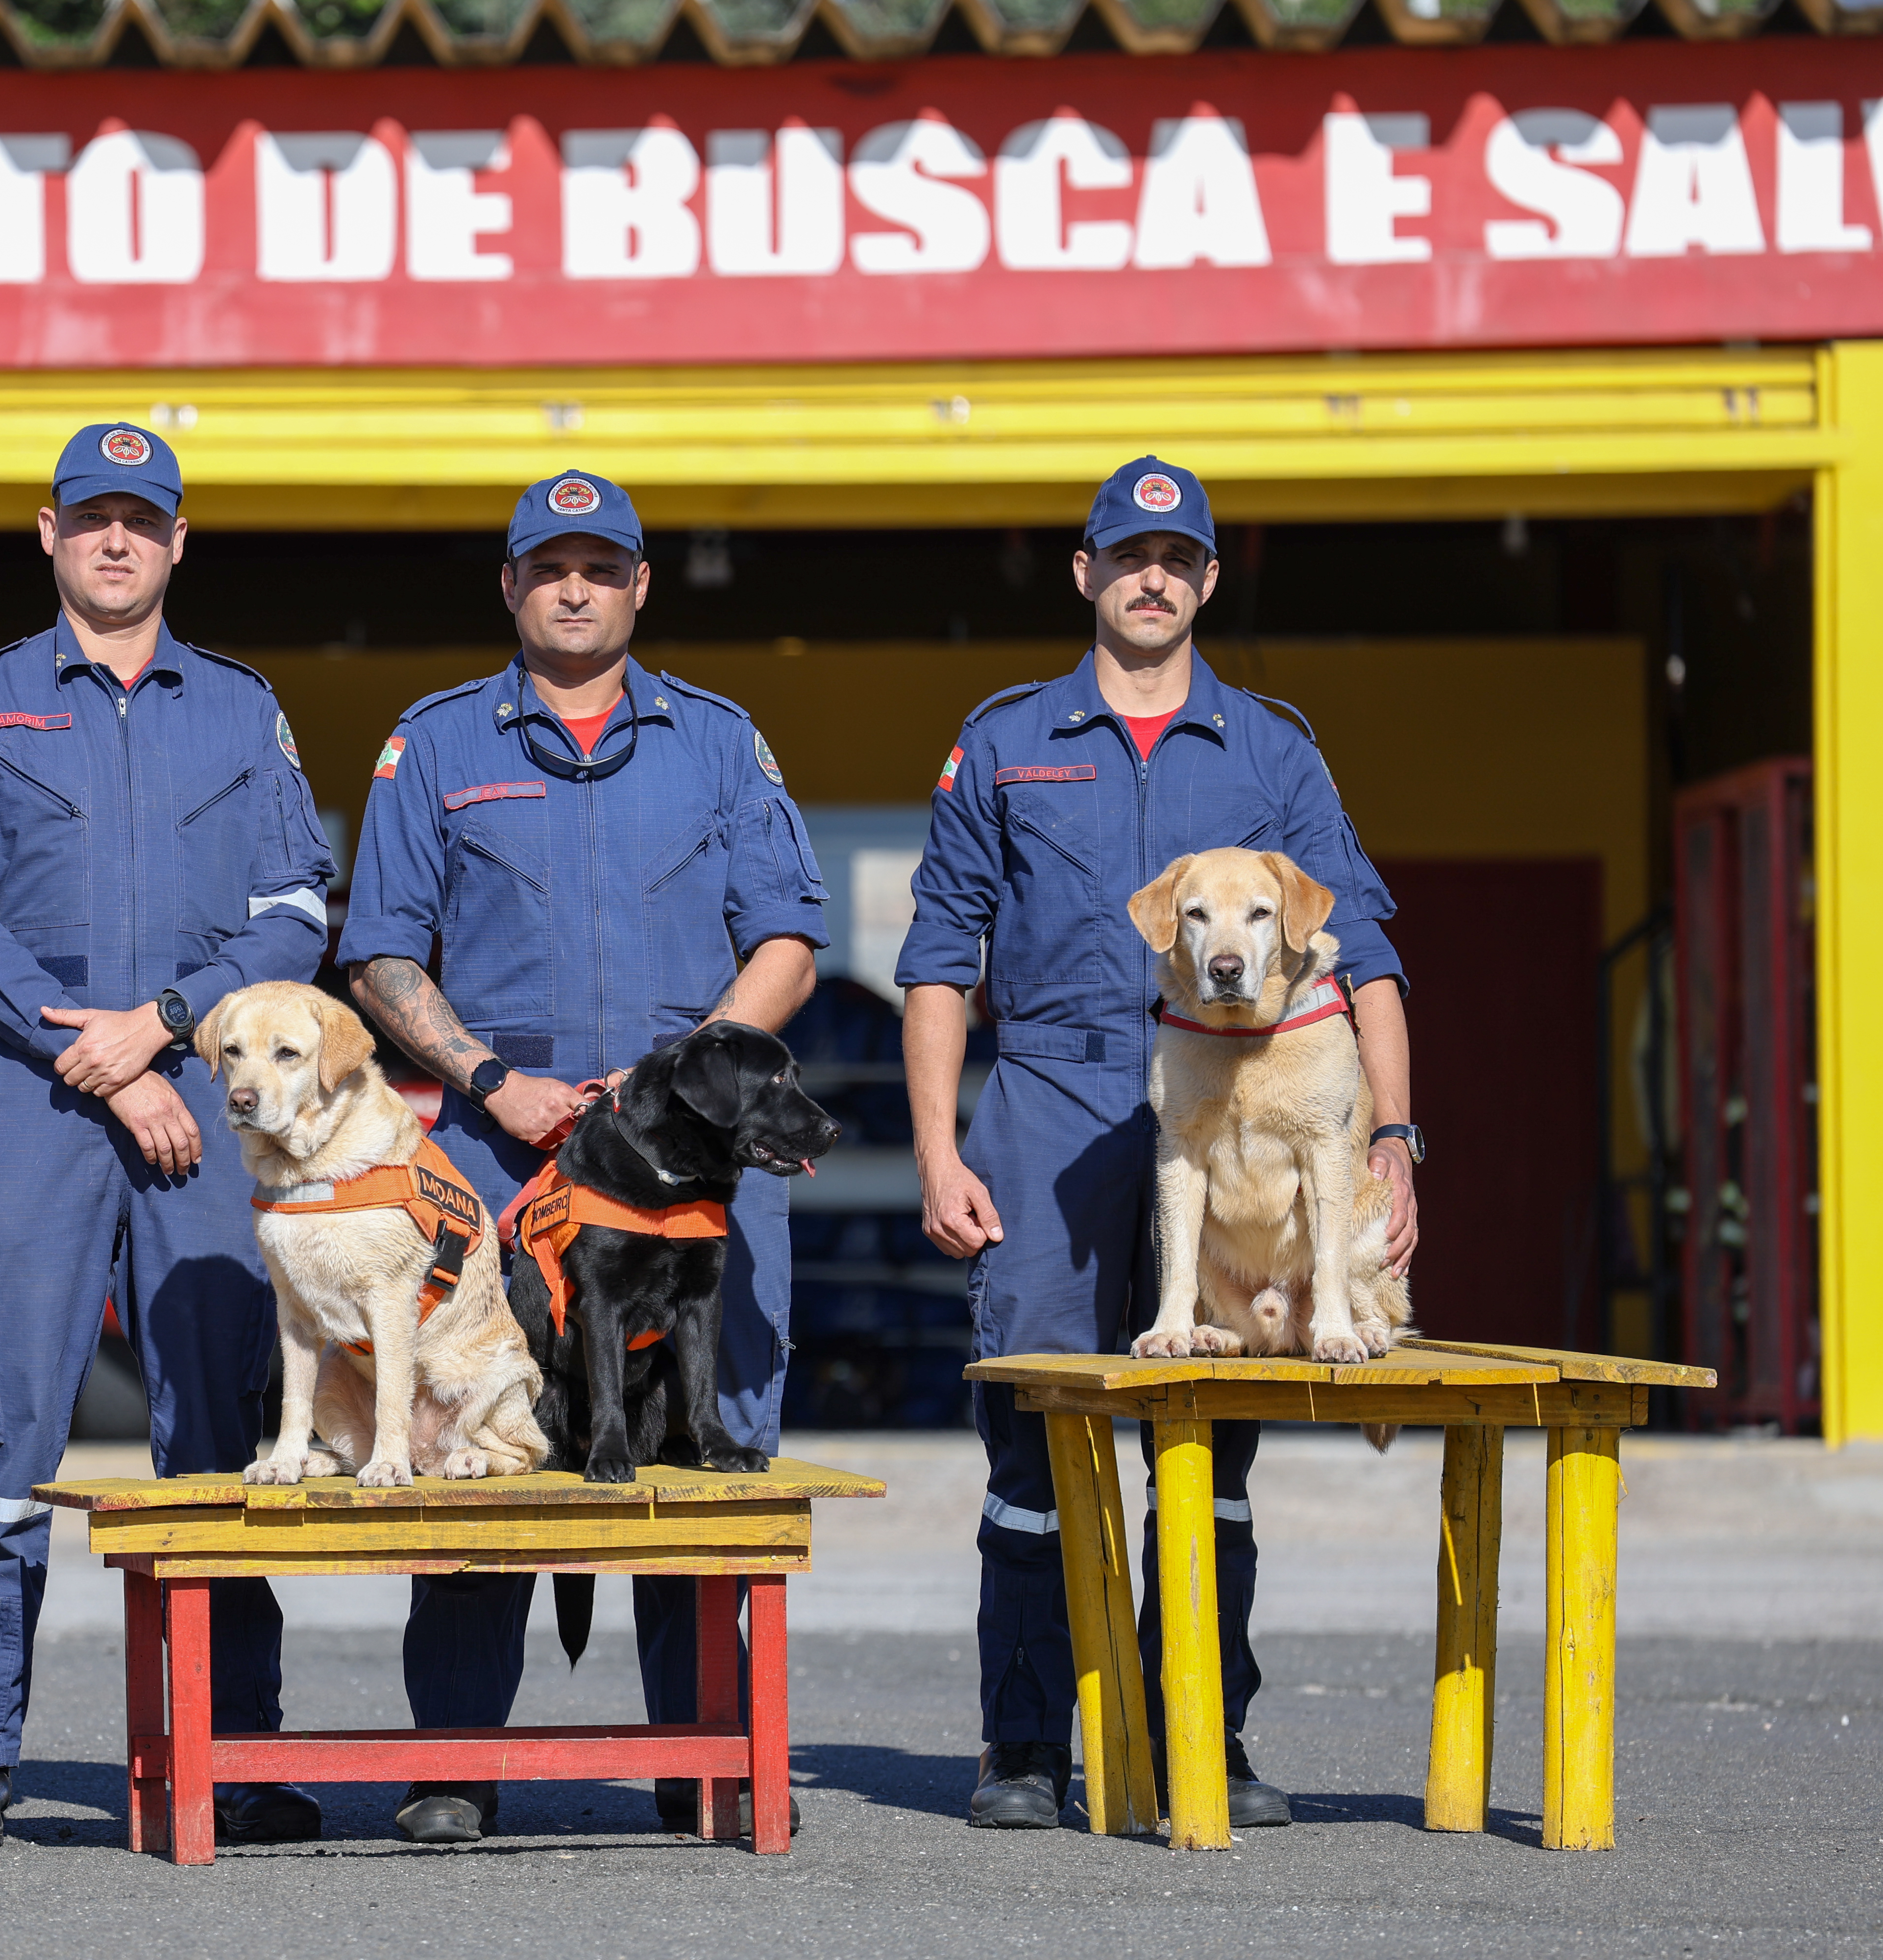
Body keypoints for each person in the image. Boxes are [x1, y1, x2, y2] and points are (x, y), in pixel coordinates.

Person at [899, 457, 1424, 1831]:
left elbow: (1360, 949)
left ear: (1204, 579)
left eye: (1177, 558)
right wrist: (939, 1151)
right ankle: (1025, 1750)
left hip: (1237, 1107)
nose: (1152, 577)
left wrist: (1396, 1140)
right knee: (1030, 1437)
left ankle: (1208, 1733)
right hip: (1051, 1109)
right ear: (1085, 573)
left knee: (1215, 1451)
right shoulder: (1007, 740)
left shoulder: (1271, 747)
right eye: (1127, 555)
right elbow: (939, 962)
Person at [339, 470, 831, 1843]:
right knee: (482, 1452)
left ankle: (707, 1761)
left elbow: (787, 941)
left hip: (692, 1173)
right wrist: (494, 1080)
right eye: (548, 568)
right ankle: (454, 1766)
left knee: (700, 1453)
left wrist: (681, 1081)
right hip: (511, 1162)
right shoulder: (434, 746)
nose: (575, 589)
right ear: (510, 587)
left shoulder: (719, 744)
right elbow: (380, 952)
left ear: (639, 588)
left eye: (601, 569)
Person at [0, 423, 338, 1850]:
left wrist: (161, 1028)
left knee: (218, 1435)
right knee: (9, 1429)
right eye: (90, 519)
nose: (115, 543)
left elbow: (294, 910)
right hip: (29, 1104)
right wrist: (96, 1055)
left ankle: (233, 1752)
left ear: (176, 543)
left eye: (140, 523)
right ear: (48, 533)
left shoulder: (241, 709)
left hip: (208, 1104)